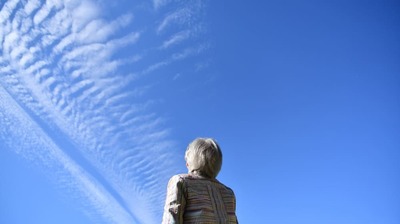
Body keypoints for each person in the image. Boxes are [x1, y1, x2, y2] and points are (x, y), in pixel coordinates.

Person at [162, 138, 238, 223]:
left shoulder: (181, 182)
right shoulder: (229, 193)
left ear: (190, 162)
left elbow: (171, 220)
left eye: (187, 161)